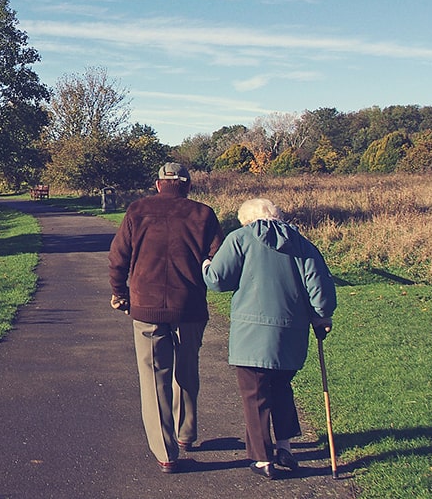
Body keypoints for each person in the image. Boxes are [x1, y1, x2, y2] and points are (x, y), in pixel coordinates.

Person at [202, 198, 337, 480]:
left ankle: (262, 458)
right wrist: (322, 316)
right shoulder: (302, 243)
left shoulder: (240, 239)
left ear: (246, 220)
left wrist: (205, 265)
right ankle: (285, 446)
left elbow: (217, 280)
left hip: (251, 334)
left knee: (255, 394)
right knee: (281, 387)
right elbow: (320, 289)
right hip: (291, 333)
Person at [108, 162, 224, 473]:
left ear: (159, 184)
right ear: (188, 185)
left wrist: (120, 292)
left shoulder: (137, 210)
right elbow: (218, 258)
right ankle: (186, 433)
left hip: (146, 306)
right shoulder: (204, 214)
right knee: (187, 369)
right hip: (190, 306)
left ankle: (166, 453)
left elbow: (118, 256)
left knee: (153, 379)